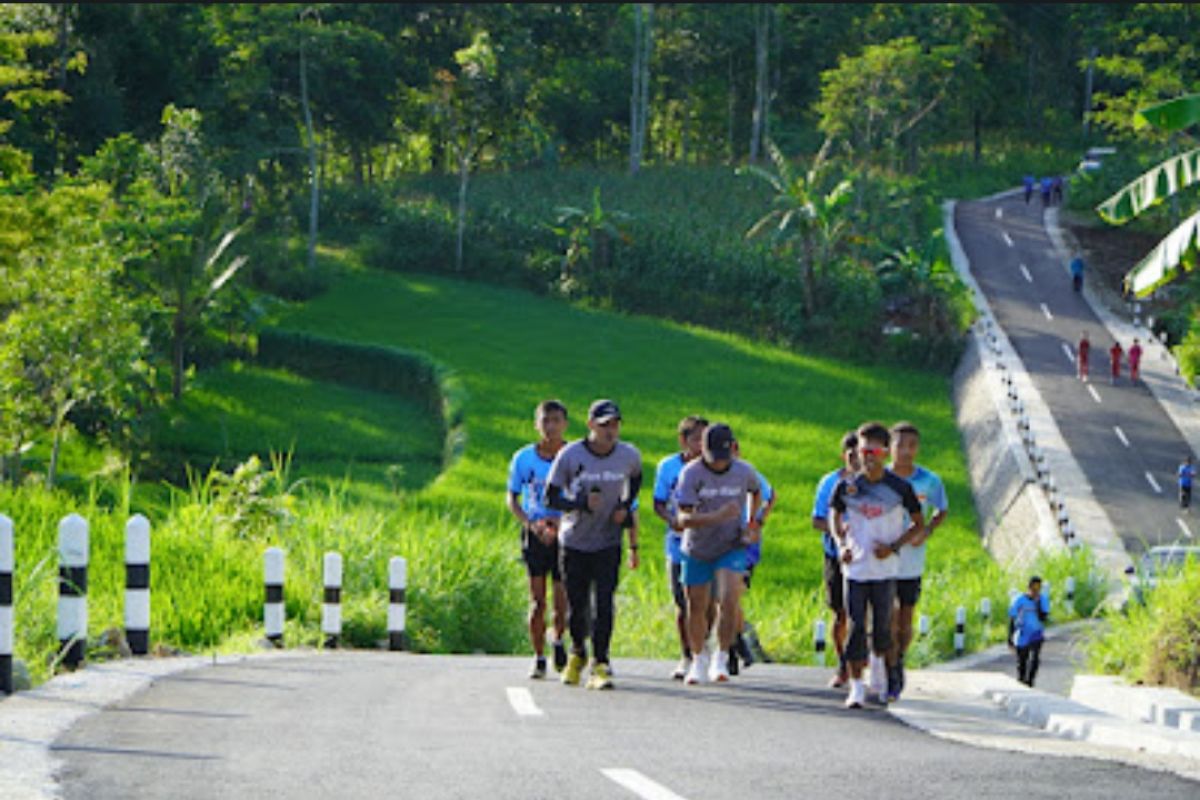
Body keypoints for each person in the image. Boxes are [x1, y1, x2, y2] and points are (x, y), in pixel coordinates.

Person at [545, 399, 642, 690]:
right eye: (603, 426)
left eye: (614, 425)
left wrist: (624, 505)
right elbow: (551, 497)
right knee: (577, 606)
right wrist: (579, 504)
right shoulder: (571, 455)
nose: (610, 431)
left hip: (608, 541)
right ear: (590, 426)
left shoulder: (628, 455)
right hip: (574, 541)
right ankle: (577, 653)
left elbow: (636, 479)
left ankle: (601, 662)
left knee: (604, 603)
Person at [829, 422, 925, 709]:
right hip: (856, 568)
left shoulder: (899, 488)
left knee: (883, 628)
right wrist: (841, 545)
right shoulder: (848, 487)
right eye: (862, 450)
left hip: (885, 569)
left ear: (884, 452)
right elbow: (835, 517)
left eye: (872, 450)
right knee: (857, 626)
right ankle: (857, 686)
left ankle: (888, 674)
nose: (867, 456)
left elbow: (918, 524)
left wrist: (894, 547)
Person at [675, 423, 762, 685]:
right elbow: (683, 518)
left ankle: (722, 656)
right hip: (698, 547)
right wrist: (717, 516)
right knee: (697, 605)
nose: (721, 465)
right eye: (715, 459)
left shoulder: (744, 471)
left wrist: (752, 524)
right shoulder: (691, 473)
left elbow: (758, 493)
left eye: (725, 459)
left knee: (728, 599)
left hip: (731, 545)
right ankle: (698, 657)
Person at [506, 400, 570, 678]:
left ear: (565, 424)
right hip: (535, 532)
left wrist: (562, 521)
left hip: (566, 533)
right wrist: (531, 524)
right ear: (537, 424)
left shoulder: (574, 455)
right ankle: (538, 656)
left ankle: (558, 638)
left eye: (556, 421)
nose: (551, 427)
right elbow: (513, 496)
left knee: (562, 599)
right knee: (537, 600)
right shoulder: (524, 458)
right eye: (546, 421)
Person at [887, 422, 948, 703]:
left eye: (911, 446)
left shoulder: (929, 480)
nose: (906, 452)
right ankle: (886, 666)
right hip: (885, 557)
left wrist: (927, 531)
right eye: (900, 445)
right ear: (890, 447)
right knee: (887, 615)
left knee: (905, 617)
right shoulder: (880, 478)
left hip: (912, 560)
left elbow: (941, 509)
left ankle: (899, 658)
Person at [652, 415, 708, 680]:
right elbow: (658, 502)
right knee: (683, 602)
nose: (701, 445)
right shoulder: (668, 467)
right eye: (696, 439)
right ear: (683, 441)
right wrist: (671, 520)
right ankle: (687, 654)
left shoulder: (716, 467)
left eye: (705, 439)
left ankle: (704, 648)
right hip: (678, 543)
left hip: (710, 543)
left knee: (707, 603)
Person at [811, 432, 860, 688]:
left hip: (867, 557)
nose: (856, 459)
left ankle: (863, 665)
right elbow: (817, 519)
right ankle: (843, 663)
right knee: (840, 613)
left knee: (863, 614)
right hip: (836, 554)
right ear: (844, 456)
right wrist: (840, 530)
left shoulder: (878, 483)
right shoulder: (830, 482)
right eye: (851, 455)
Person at [729, 439, 776, 676]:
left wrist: (758, 522)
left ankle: (736, 643)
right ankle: (737, 643)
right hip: (718, 541)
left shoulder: (748, 472)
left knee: (733, 595)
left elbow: (770, 495)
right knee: (724, 597)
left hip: (745, 545)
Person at [1008, 576, 1050, 687]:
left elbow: (1043, 618)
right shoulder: (1019, 600)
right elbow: (1012, 619)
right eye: (1033, 587)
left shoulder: (1043, 599)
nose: (1035, 590)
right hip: (1022, 634)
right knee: (1022, 661)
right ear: (1028, 587)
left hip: (1036, 633)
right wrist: (1010, 638)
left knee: (1034, 658)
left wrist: (1038, 604)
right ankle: (1021, 680)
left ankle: (1030, 682)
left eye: (1038, 588)